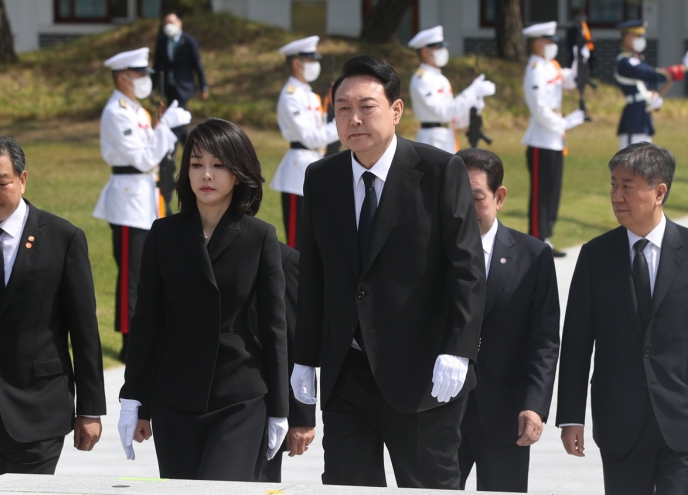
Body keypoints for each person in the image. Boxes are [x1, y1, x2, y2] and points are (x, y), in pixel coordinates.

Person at [291, 55, 486, 489]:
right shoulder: (321, 177)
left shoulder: (439, 171)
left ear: (396, 111)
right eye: (342, 108)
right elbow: (315, 275)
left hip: (424, 376)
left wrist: (459, 348)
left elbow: (467, 270)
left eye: (366, 106)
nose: (353, 118)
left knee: (428, 486)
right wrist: (304, 358)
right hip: (348, 375)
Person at [117, 118, 289, 481]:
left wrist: (281, 409)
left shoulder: (260, 237)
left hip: (240, 398)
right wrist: (134, 399)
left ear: (239, 173)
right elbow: (147, 322)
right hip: (175, 399)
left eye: (218, 165)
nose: (206, 175)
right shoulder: (164, 234)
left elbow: (275, 328)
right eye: (196, 165)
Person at [0, 134, 106, 474]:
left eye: (1, 182)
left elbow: (84, 330)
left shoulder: (63, 238)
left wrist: (90, 409)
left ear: (22, 179)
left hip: (39, 408)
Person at [557, 142, 688, 494]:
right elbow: (576, 343)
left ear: (659, 191)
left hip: (682, 423)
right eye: (613, 185)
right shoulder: (596, 256)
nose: (616, 196)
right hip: (620, 424)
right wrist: (571, 417)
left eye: (627, 186)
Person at [455, 148, 560, 493]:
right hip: (440, 415)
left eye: (475, 198)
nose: (464, 208)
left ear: (499, 197)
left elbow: (544, 340)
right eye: (456, 196)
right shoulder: (428, 253)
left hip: (505, 416)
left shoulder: (533, 257)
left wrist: (535, 405)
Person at [93, 47, 191, 362]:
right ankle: (129, 340)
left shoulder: (136, 110)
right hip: (127, 199)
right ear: (123, 77)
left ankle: (151, 331)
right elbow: (144, 156)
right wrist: (166, 127)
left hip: (148, 195)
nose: (146, 80)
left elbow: (155, 153)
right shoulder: (116, 112)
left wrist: (167, 130)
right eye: (140, 75)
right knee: (131, 275)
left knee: (153, 270)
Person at [522, 21, 586, 257]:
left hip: (555, 140)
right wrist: (563, 123)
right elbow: (539, 109)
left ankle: (545, 237)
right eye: (548, 41)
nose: (552, 46)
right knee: (541, 193)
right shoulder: (535, 69)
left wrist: (581, 57)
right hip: (541, 139)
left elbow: (570, 80)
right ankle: (536, 239)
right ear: (537, 43)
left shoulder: (551, 66)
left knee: (552, 192)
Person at [255, 241, 316, 482]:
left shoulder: (282, 258)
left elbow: (294, 341)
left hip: (259, 406)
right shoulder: (178, 246)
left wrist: (301, 416)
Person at [269, 36, 339, 249]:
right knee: (297, 241)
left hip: (316, 162)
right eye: (311, 61)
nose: (315, 65)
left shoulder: (308, 94)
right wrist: (341, 125)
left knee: (316, 238)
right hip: (298, 171)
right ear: (297, 63)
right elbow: (309, 137)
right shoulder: (291, 96)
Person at [151, 11, 209, 215]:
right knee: (173, 122)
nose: (169, 25)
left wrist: (203, 86)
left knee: (179, 120)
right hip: (168, 88)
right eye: (166, 22)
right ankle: (183, 146)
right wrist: (152, 88)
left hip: (184, 88)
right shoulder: (161, 41)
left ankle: (181, 147)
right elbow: (156, 65)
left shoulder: (189, 41)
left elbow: (197, 64)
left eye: (172, 22)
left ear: (180, 23)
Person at [407, 26, 495, 153]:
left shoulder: (441, 78)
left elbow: (455, 118)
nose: (443, 51)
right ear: (425, 51)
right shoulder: (422, 79)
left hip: (448, 136)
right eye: (438, 48)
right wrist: (472, 91)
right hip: (432, 140)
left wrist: (476, 100)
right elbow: (443, 112)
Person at [614, 20, 688, 150]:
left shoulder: (637, 60)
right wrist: (681, 68)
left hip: (642, 116)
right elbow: (654, 75)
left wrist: (652, 97)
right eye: (638, 36)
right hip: (634, 118)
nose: (641, 39)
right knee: (630, 164)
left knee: (642, 165)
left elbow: (647, 85)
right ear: (627, 37)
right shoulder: (625, 62)